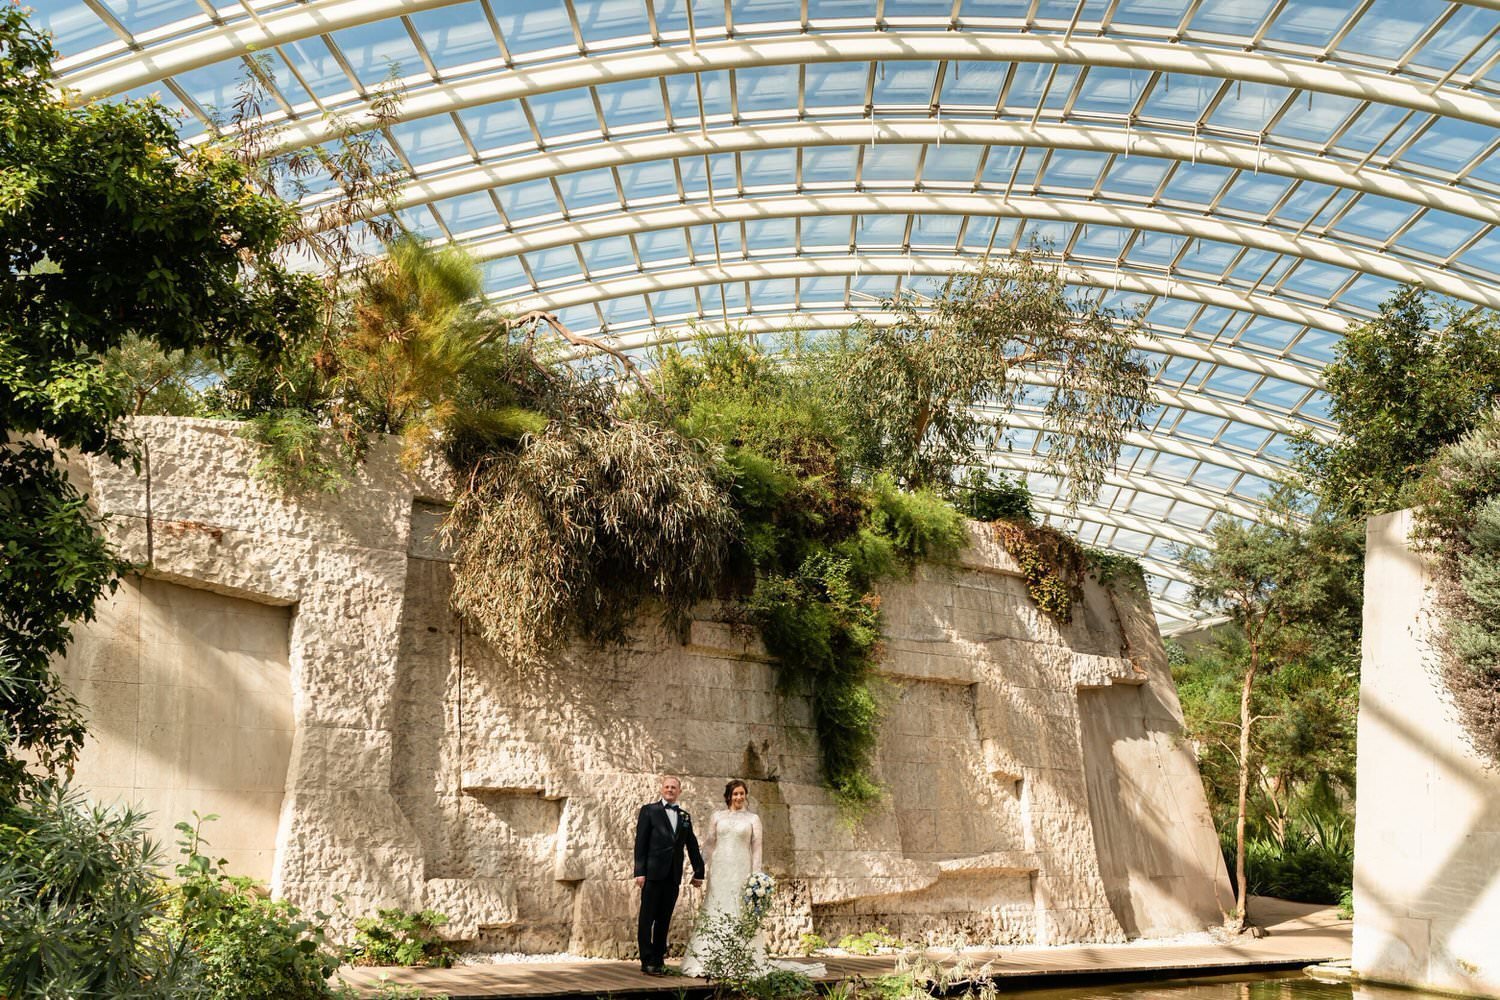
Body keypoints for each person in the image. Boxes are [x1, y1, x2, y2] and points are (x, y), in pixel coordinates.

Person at [680, 779, 825, 980]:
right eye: (735, 794)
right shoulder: (717, 816)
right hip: (720, 869)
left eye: (742, 794)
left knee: (739, 910)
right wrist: (698, 869)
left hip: (741, 870)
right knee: (715, 907)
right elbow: (710, 844)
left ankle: (741, 959)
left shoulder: (753, 819)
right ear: (729, 796)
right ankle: (709, 958)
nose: (739, 797)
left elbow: (757, 849)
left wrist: (755, 876)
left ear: (745, 796)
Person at [634, 775, 704, 975]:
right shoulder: (649, 811)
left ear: (679, 791)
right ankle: (646, 960)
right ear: (661, 789)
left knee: (664, 919)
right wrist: (640, 872)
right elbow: (641, 843)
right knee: (647, 918)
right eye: (667, 786)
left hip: (673, 875)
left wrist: (699, 871)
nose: (670, 790)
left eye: (674, 787)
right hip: (652, 873)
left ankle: (658, 959)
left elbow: (691, 845)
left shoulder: (684, 816)